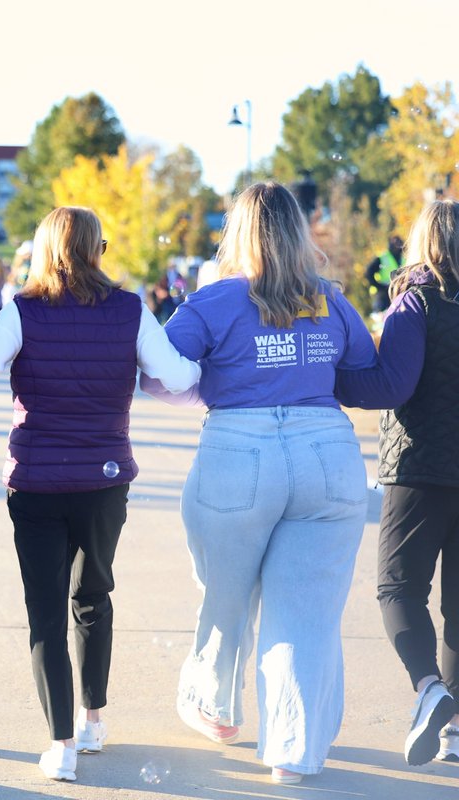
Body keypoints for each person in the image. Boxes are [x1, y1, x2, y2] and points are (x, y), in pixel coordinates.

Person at [0, 207, 200, 782]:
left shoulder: (23, 311)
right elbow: (179, 377)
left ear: (44, 250)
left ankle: (59, 745)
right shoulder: (131, 310)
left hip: (35, 481)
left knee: (45, 612)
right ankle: (93, 718)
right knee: (93, 597)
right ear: (94, 250)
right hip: (105, 481)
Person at [141, 182, 376, 785]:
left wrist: (214, 386)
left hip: (236, 451)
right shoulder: (330, 300)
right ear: (299, 233)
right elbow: (362, 375)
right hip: (327, 450)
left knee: (225, 590)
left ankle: (214, 701)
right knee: (306, 612)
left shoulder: (212, 303)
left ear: (236, 233)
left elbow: (161, 378)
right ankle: (293, 753)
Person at [335, 199, 459, 766]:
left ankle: (430, 690)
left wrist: (331, 379)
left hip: (420, 468)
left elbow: (391, 386)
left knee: (399, 589)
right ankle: (455, 734)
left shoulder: (416, 303)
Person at [366, 235, 405, 314]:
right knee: (381, 317)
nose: (397, 245)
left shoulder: (405, 258)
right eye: (395, 242)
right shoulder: (383, 258)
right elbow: (369, 272)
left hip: (399, 292)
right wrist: (379, 286)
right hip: (383, 294)